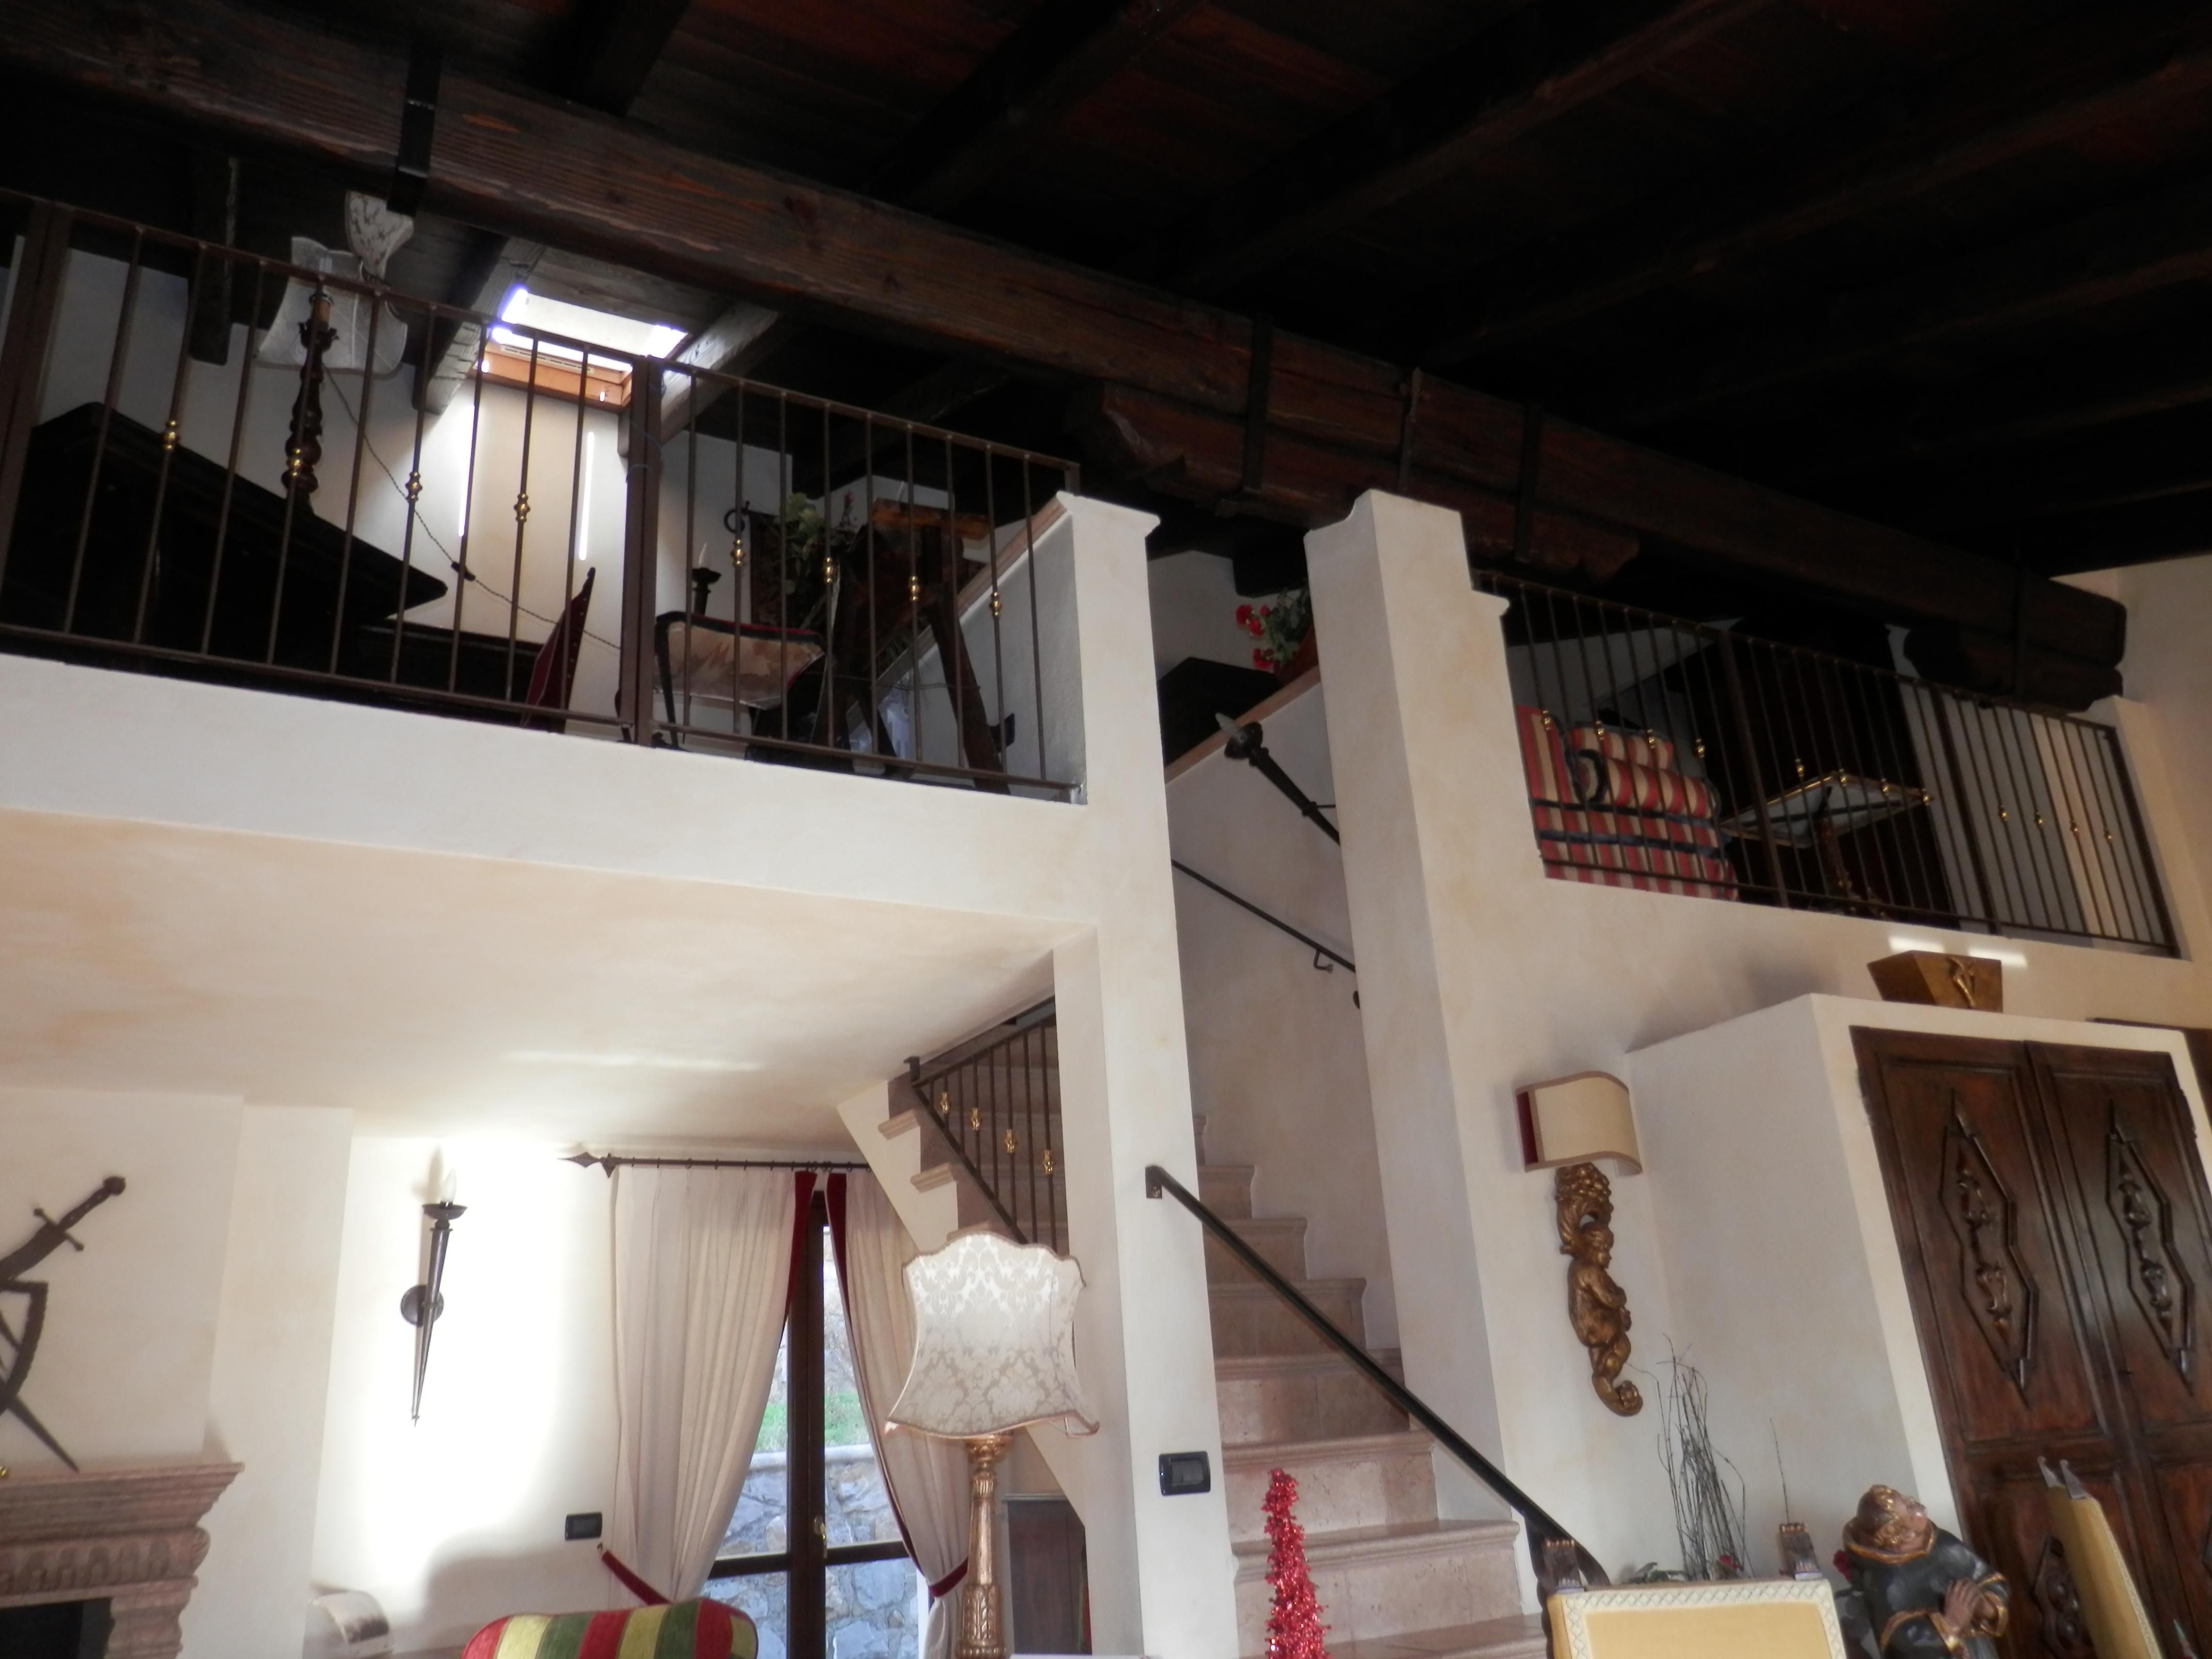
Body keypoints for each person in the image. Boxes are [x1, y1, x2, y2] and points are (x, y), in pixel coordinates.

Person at [1838, 1486, 2008, 1657]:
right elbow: (1900, 1638)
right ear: (1901, 1534)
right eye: (1909, 1508)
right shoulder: (1885, 1581)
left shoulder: (1943, 1544)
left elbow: (1988, 1579)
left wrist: (1985, 1607)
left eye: (1906, 1499)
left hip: (1976, 1650)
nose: (1913, 1501)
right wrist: (1950, 1624)